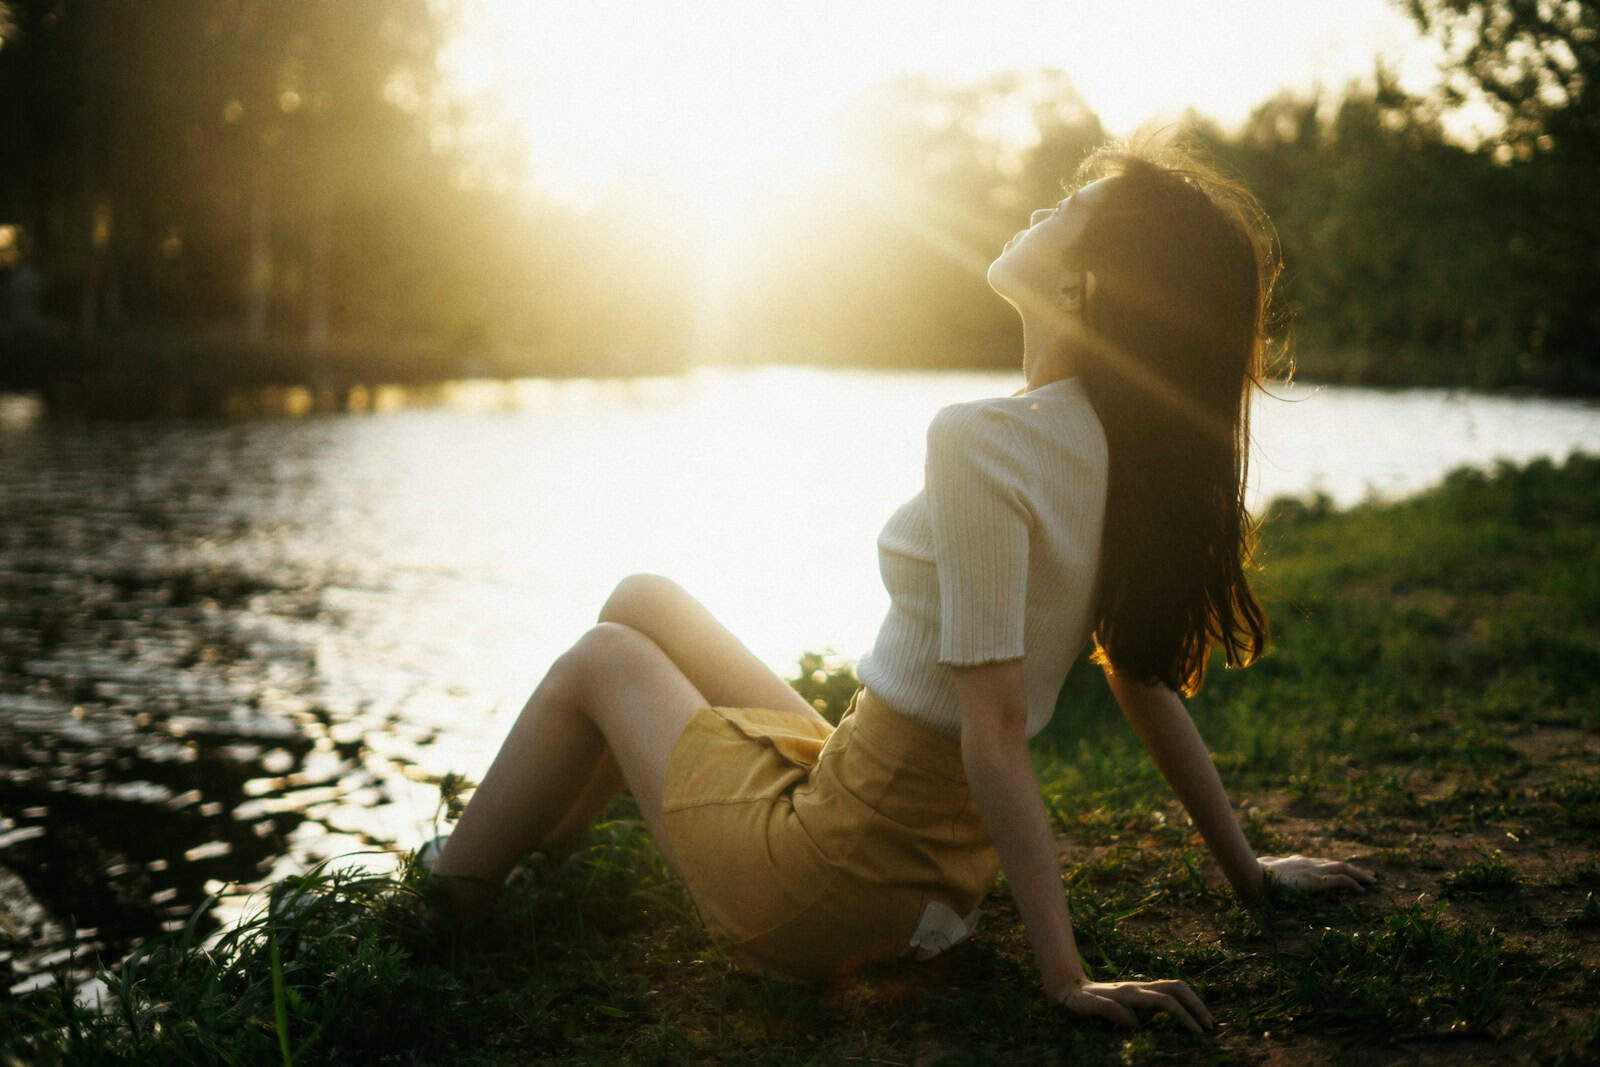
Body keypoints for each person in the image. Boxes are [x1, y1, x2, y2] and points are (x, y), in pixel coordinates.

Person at [428, 140, 1375, 1032]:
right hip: (931, 873)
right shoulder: (1117, 447)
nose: (1042, 205)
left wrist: (1066, 976)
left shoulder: (983, 440)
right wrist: (1247, 873)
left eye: (1068, 207)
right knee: (646, 600)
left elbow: (995, 727)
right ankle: (546, 856)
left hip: (830, 889)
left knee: (601, 656)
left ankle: (440, 901)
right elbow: (1139, 674)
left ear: (1081, 287)